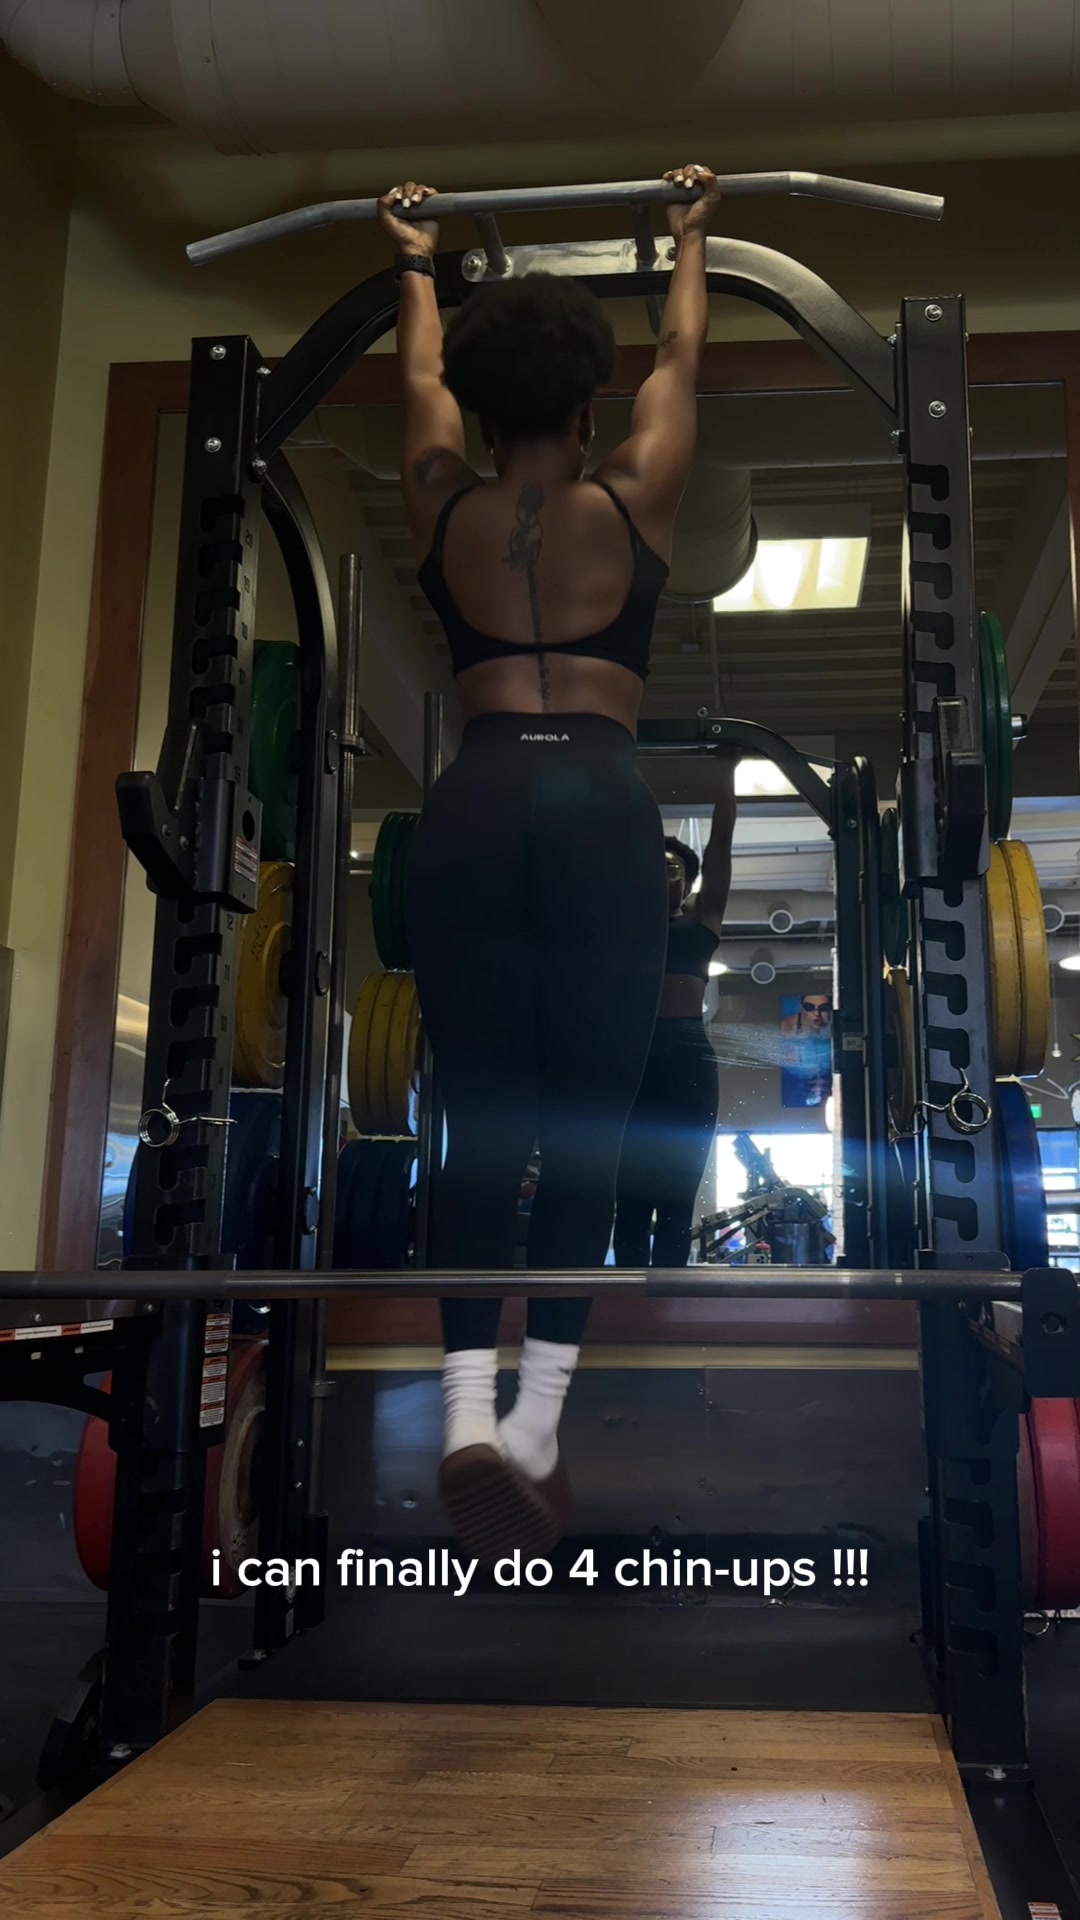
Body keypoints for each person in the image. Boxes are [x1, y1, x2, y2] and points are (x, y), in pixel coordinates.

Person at [378, 163, 724, 1563]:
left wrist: (415, 257)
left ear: (481, 408)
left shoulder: (440, 499)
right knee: (591, 1124)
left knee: (482, 1120)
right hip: (598, 807)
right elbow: (682, 358)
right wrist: (689, 237)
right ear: (587, 411)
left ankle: (466, 1413)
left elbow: (417, 378)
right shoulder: (633, 496)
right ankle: (535, 1427)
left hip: (473, 805)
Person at [614, 778, 736, 1269]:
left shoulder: (702, 919)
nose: (663, 878)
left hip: (688, 1057)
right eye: (653, 870)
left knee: (677, 1200)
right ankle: (624, 1298)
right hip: (633, 1055)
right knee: (630, 1199)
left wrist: (726, 775)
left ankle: (666, 1296)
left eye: (672, 870)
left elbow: (720, 849)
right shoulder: (621, 925)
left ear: (687, 882)